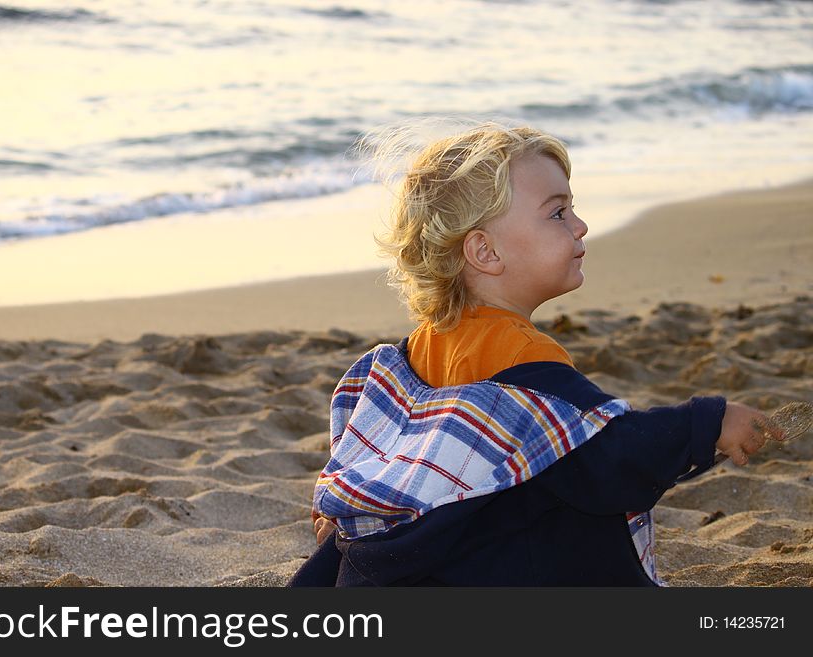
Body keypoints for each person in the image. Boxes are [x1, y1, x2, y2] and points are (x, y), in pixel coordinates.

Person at [288, 121, 784, 586]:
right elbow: (606, 456)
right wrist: (708, 424)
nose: (581, 225)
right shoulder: (523, 355)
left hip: (440, 556)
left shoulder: (418, 348)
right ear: (485, 252)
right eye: (557, 212)